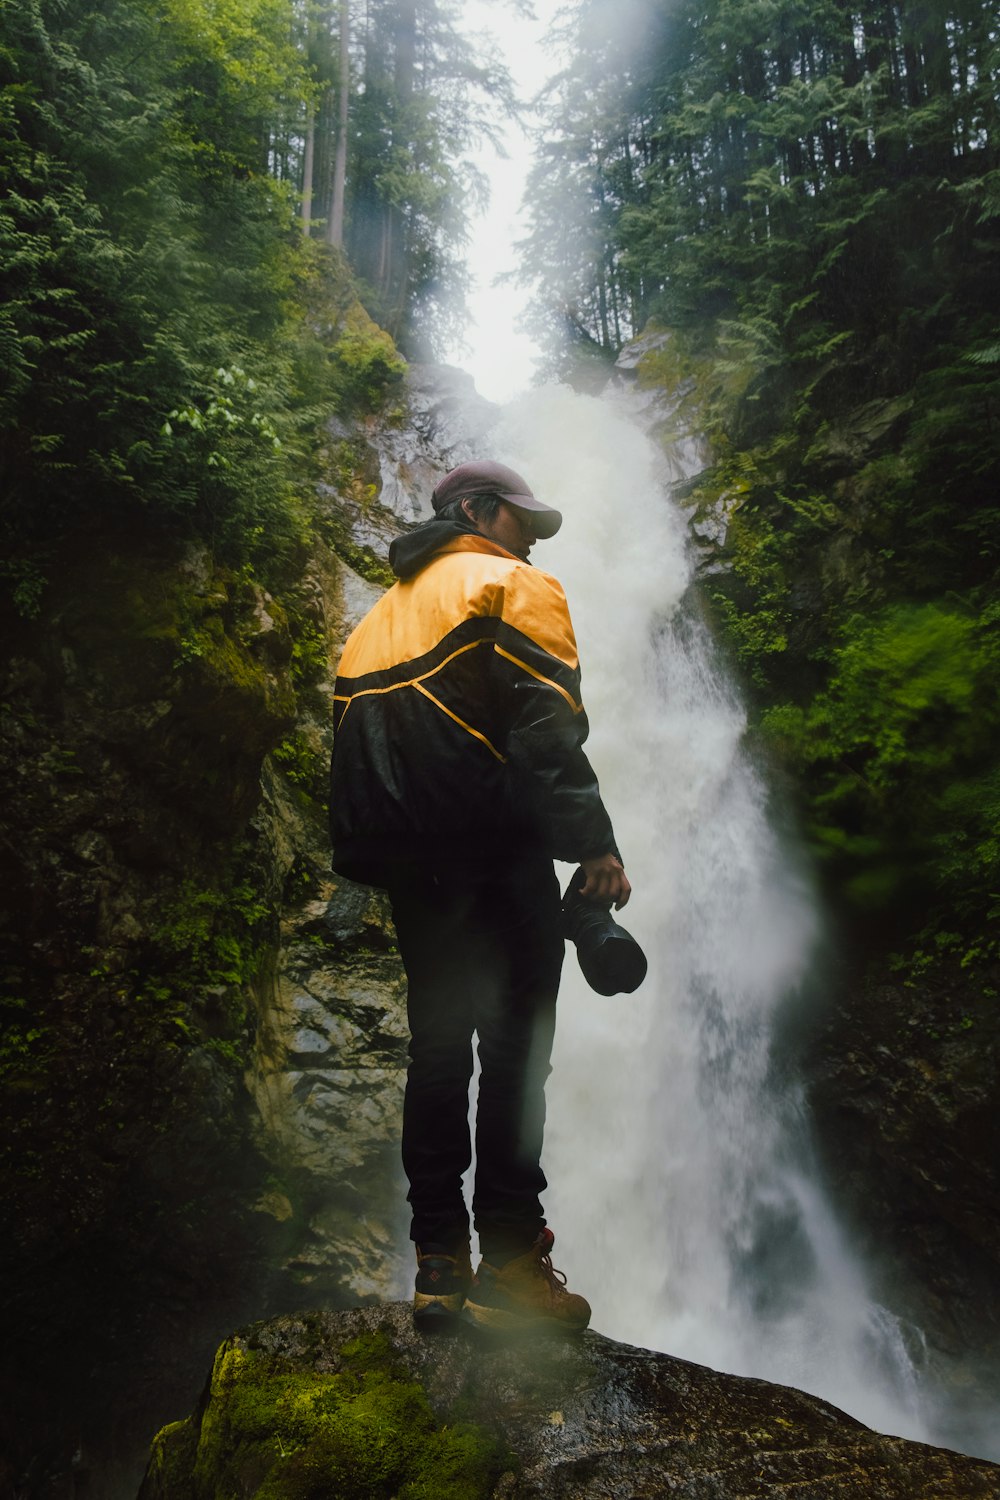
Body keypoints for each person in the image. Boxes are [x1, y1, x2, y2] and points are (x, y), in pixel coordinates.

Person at [328, 459, 631, 1334]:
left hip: (415, 874)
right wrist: (594, 846)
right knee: (515, 1054)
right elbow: (546, 727)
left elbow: (354, 769)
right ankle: (508, 1263)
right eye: (521, 521)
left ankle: (436, 1265)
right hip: (500, 857)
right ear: (475, 511)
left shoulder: (372, 623)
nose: (530, 540)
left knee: (436, 1053)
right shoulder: (509, 586)